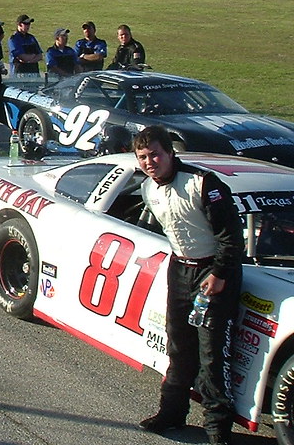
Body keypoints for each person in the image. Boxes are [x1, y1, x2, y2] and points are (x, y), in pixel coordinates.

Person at [133, 125, 243, 445]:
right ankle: (172, 412)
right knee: (178, 345)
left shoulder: (203, 183)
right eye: (143, 157)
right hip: (179, 268)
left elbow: (231, 236)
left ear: (170, 153)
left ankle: (217, 428)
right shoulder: (147, 189)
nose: (150, 162)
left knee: (211, 353)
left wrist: (220, 273)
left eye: (155, 154)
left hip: (214, 273)